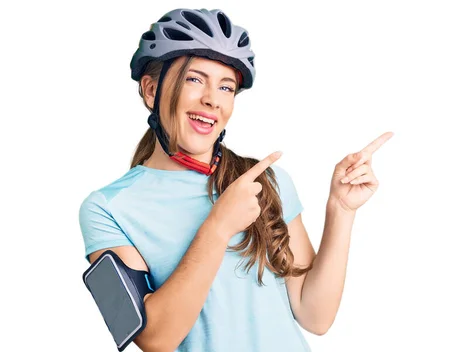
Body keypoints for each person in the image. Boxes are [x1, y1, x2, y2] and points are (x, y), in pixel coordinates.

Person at [79, 7, 393, 352]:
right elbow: (155, 340)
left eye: (226, 86)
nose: (212, 99)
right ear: (152, 90)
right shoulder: (106, 208)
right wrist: (218, 227)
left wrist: (341, 210)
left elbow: (314, 316)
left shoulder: (265, 181)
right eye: (194, 79)